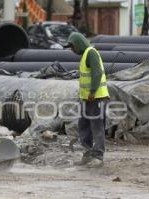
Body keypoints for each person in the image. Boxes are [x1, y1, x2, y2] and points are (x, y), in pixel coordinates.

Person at [66, 32, 109, 168]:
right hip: (87, 99)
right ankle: (88, 154)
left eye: (72, 47)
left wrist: (92, 92)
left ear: (79, 44)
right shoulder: (85, 55)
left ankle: (98, 156)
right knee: (84, 126)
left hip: (95, 98)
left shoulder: (91, 53)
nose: (72, 50)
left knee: (96, 127)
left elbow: (97, 73)